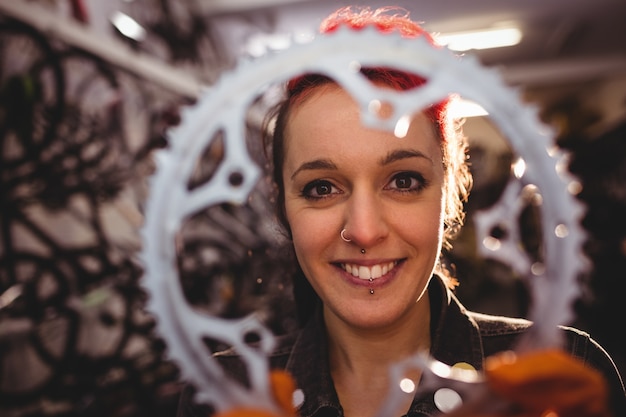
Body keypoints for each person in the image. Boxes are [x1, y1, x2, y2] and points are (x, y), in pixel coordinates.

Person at [177, 6, 626, 417]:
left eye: (403, 181)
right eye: (321, 188)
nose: (365, 230)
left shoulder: (560, 378)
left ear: (448, 193)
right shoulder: (221, 394)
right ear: (284, 208)